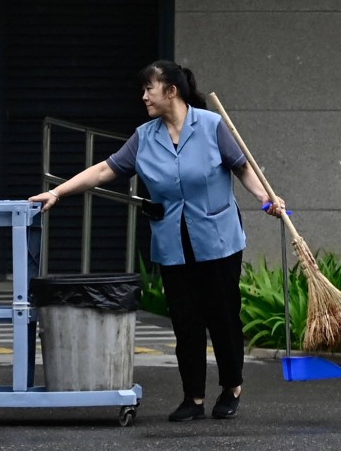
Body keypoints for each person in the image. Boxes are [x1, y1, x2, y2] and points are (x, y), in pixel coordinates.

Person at [29, 60, 285, 422]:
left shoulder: (211, 126)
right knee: (185, 321)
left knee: (223, 317)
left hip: (218, 239)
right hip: (172, 243)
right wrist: (58, 192)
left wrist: (265, 198)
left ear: (171, 91)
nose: (144, 96)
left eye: (149, 88)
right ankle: (193, 398)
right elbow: (104, 169)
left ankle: (231, 387)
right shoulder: (144, 136)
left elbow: (242, 166)